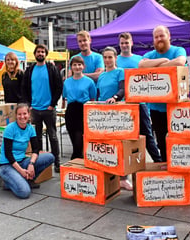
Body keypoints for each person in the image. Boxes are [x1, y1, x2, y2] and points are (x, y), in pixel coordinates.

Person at [139, 25, 187, 162]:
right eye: (156, 37)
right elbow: (141, 65)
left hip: (176, 108)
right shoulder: (150, 55)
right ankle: (166, 170)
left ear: (169, 36)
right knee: (161, 141)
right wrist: (163, 61)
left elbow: (179, 62)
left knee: (178, 141)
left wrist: (155, 66)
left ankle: (179, 167)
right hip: (156, 108)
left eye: (162, 35)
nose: (159, 39)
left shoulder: (178, 50)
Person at [117, 32, 162, 163]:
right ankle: (126, 167)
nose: (124, 45)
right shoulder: (116, 60)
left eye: (126, 42)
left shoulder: (140, 60)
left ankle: (158, 162)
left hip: (140, 103)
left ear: (131, 43)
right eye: (122, 43)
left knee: (148, 136)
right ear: (119, 44)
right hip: (123, 105)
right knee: (124, 138)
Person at [0, 103, 55, 199]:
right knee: (24, 192)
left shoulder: (30, 129)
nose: (22, 117)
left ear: (29, 114)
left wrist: (31, 164)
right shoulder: (10, 128)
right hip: (8, 165)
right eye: (19, 114)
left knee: (50, 157)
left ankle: (27, 179)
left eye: (24, 114)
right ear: (16, 115)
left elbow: (36, 149)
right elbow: (8, 154)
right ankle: (7, 183)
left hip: (22, 161)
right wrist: (21, 171)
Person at [22, 44, 63, 173]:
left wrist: (53, 103)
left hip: (48, 109)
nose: (40, 54)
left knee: (53, 137)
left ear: (46, 54)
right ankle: (39, 163)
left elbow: (59, 86)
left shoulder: (51, 68)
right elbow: (25, 87)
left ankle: (57, 162)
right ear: (35, 54)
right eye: (38, 52)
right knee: (37, 137)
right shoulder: (30, 70)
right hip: (34, 109)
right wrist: (29, 104)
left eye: (42, 52)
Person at [97, 46, 132, 191]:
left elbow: (123, 89)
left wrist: (115, 97)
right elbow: (99, 94)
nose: (107, 60)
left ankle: (124, 178)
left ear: (115, 58)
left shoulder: (120, 72)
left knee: (121, 147)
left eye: (110, 57)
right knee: (108, 147)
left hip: (117, 114)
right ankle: (110, 176)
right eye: (105, 57)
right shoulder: (101, 76)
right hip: (103, 115)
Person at [63, 56, 96, 159]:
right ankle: (78, 161)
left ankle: (75, 161)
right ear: (71, 67)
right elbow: (64, 97)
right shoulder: (67, 82)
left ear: (83, 66)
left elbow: (93, 98)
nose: (77, 67)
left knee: (79, 142)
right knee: (73, 140)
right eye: (74, 65)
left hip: (83, 111)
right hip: (71, 112)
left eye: (79, 64)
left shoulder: (89, 82)